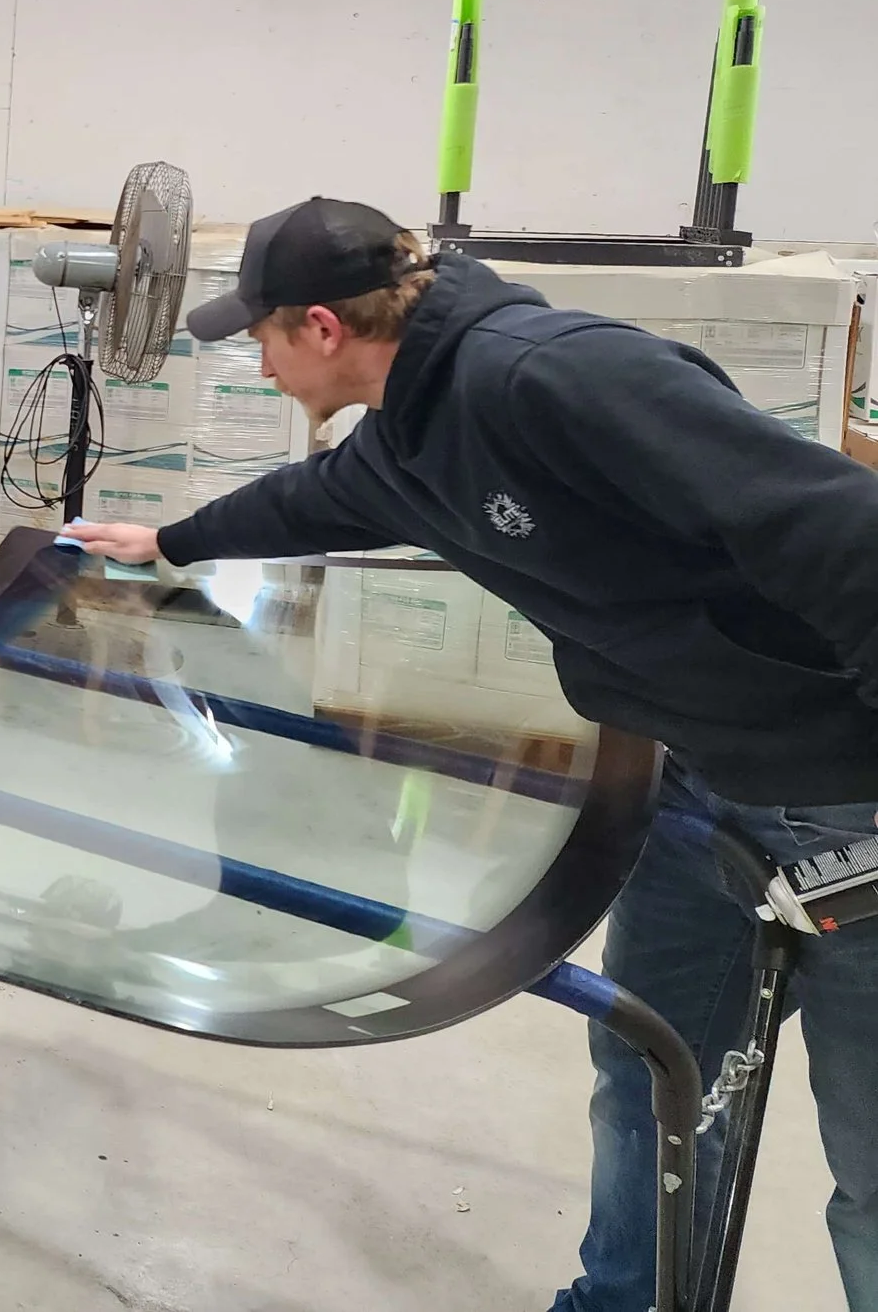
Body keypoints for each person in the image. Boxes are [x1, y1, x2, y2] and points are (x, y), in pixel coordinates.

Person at [65, 196, 878, 1312]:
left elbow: (842, 533)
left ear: (320, 328)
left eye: (256, 339)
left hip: (844, 806)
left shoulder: (547, 376)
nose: (257, 368)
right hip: (697, 785)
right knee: (657, 1087)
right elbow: (314, 503)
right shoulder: (408, 434)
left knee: (872, 1172)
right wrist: (167, 541)